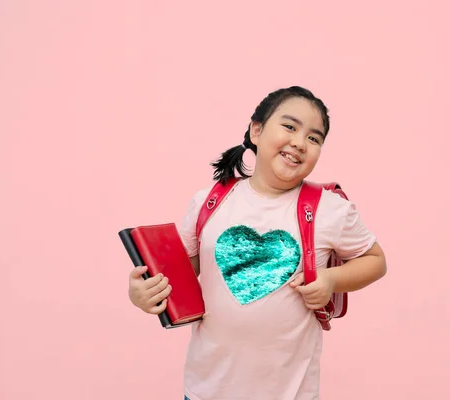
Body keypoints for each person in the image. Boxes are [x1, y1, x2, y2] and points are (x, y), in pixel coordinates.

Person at [127, 86, 387, 400]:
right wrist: (142, 292)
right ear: (257, 130)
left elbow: (375, 261)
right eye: (289, 127)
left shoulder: (330, 209)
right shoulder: (210, 202)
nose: (299, 142)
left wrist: (331, 278)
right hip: (207, 390)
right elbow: (179, 274)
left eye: (314, 138)